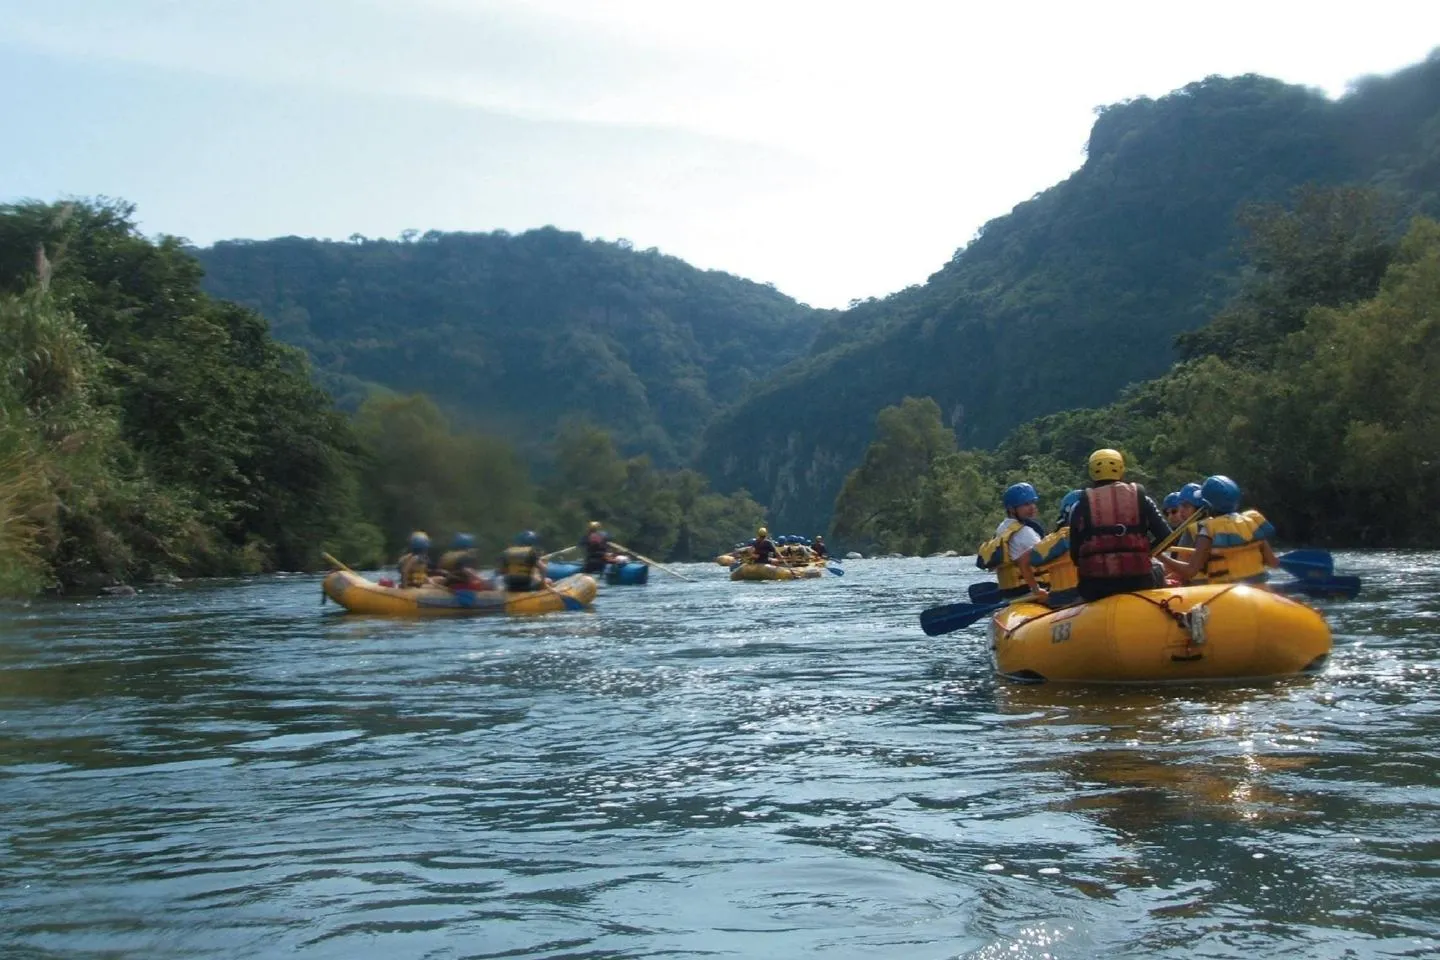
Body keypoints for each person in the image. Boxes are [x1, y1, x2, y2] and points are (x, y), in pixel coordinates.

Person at [1067, 449, 1173, 602]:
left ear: (1092, 473)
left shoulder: (1080, 505)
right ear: (1121, 470)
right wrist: (1146, 552)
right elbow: (1167, 537)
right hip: (1139, 581)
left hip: (1096, 587)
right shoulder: (1142, 498)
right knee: (1158, 569)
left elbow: (1075, 556)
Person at [1162, 475, 1280, 585]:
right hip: (1260, 590)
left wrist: (1158, 555)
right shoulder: (1252, 522)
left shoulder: (1206, 529)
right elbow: (1273, 563)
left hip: (1223, 593)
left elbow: (1190, 571)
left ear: (1207, 504)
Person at [976, 482, 1046, 597]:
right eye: (1026, 504)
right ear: (1012, 509)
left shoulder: (1003, 527)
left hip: (1010, 591)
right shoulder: (1025, 532)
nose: (1032, 507)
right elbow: (1048, 556)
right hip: (1028, 589)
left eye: (1033, 502)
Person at [1019, 488, 1083, 604]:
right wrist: (1037, 590)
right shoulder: (1062, 537)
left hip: (1079, 595)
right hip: (1067, 599)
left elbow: (1023, 560)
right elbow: (1024, 560)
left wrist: (1036, 590)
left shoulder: (1056, 538)